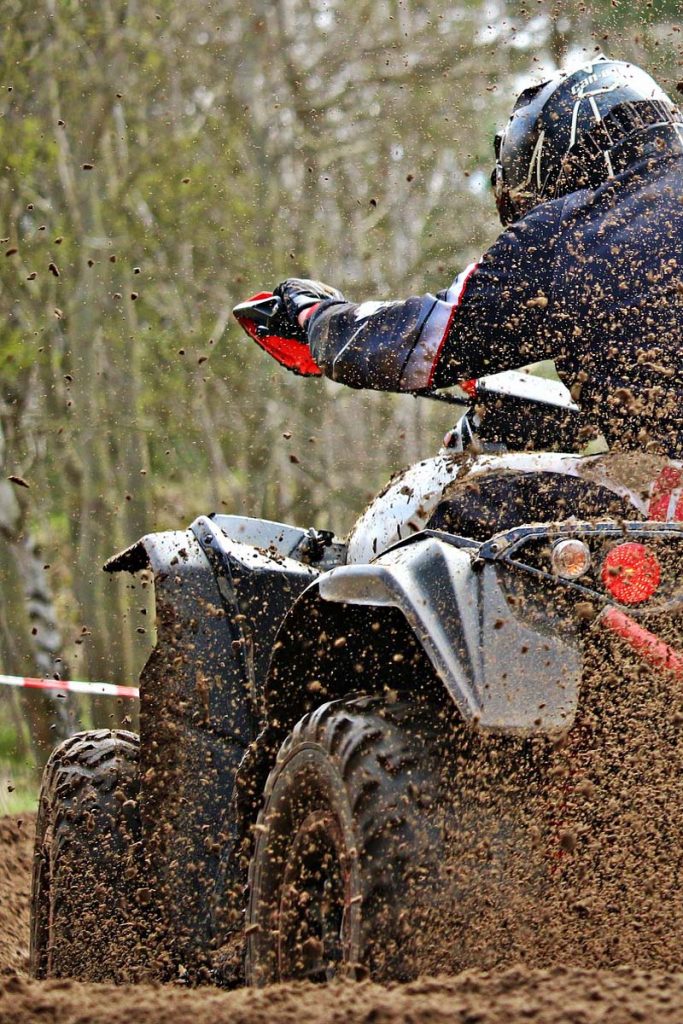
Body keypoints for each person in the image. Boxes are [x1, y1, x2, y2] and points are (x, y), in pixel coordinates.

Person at [273, 55, 683, 459]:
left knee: (465, 501)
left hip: (670, 495)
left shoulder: (567, 231)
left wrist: (317, 317)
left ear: (559, 153)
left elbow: (419, 343)